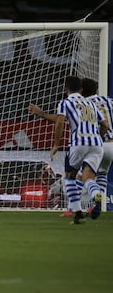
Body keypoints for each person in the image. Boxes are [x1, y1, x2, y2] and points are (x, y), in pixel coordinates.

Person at [51, 76, 108, 224]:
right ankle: (96, 194)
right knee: (88, 178)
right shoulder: (91, 103)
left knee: (69, 176)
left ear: (66, 89)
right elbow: (105, 125)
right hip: (97, 144)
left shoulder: (66, 102)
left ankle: (77, 214)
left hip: (79, 142)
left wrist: (56, 144)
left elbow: (59, 123)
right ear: (81, 89)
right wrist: (97, 137)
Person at [81, 78, 113, 211]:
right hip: (112, 145)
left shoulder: (83, 105)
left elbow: (103, 125)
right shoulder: (110, 101)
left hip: (97, 145)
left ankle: (92, 197)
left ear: (81, 90)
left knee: (85, 177)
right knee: (102, 174)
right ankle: (96, 206)